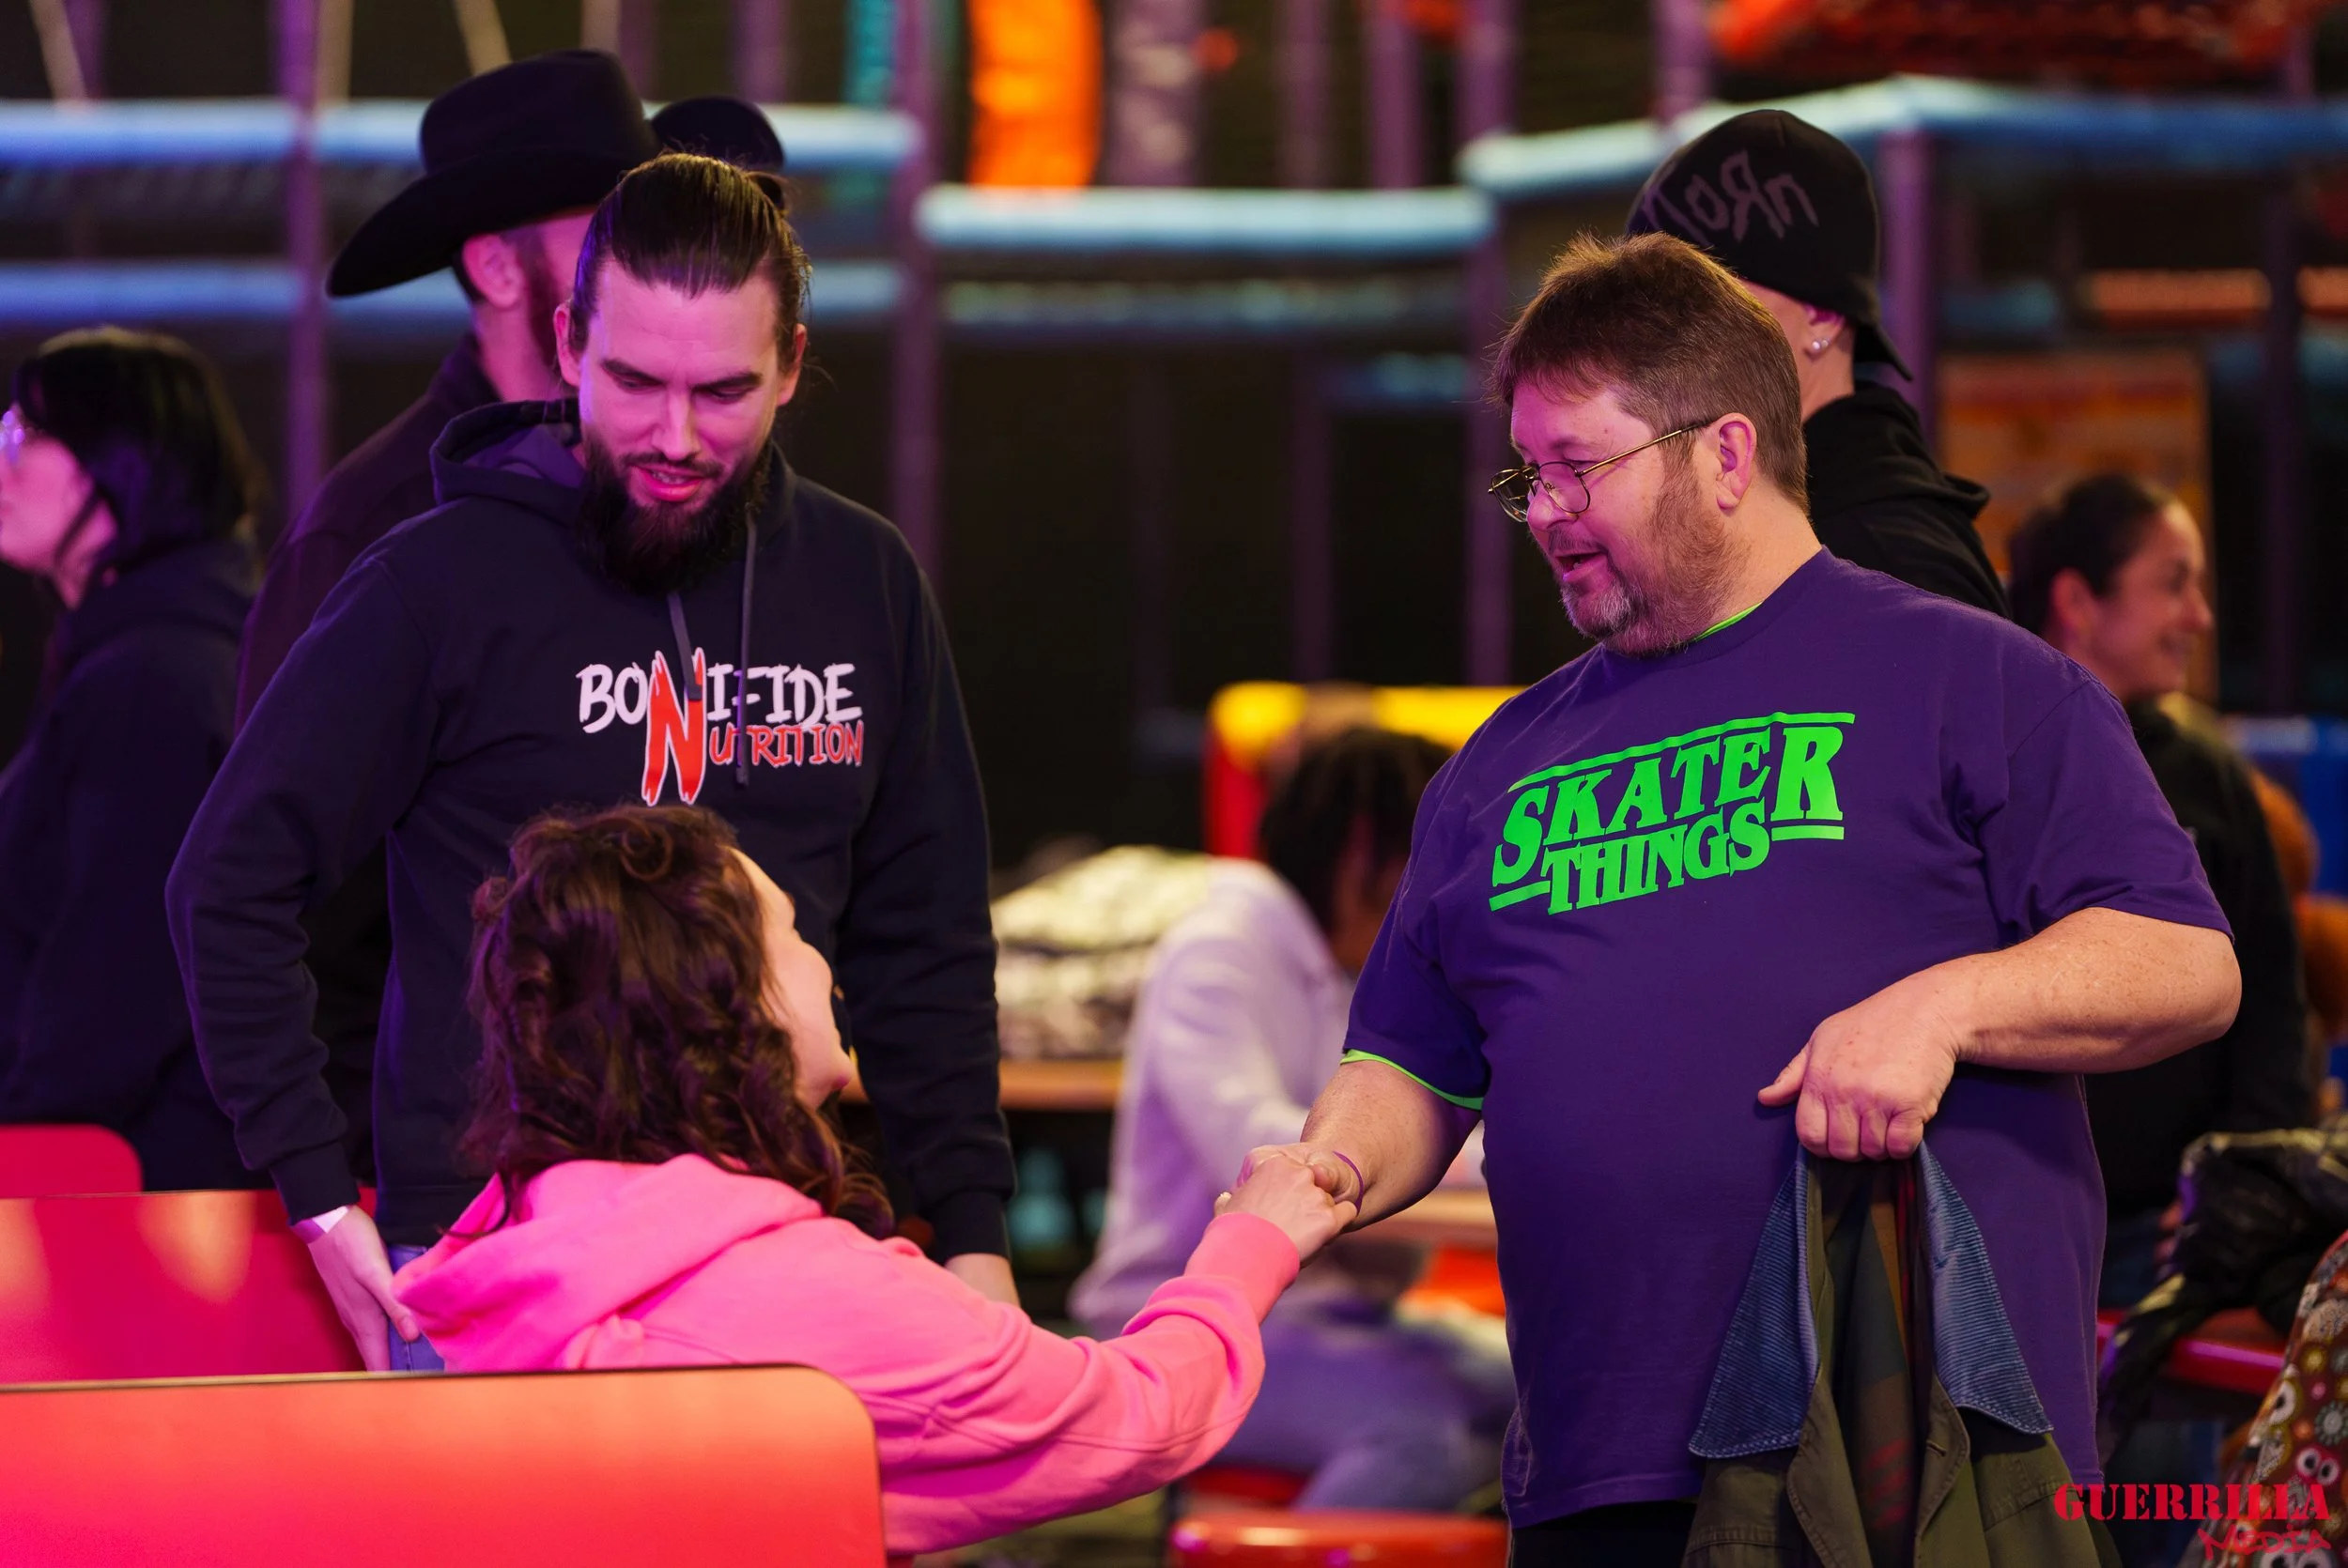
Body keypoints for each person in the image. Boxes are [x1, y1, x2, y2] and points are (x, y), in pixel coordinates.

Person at [1249, 232, 2241, 1565]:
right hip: (1597, 1473)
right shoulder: (1497, 766)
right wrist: (1329, 1166)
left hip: (1904, 1468)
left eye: (1579, 466)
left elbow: (2183, 959)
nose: (1543, 511)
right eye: (1524, 474)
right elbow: (1411, 1063)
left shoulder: (1975, 679)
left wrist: (1945, 1007)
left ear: (1724, 452)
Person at [168, 152, 1014, 1372]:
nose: (675, 436)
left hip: (793, 1273)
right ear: (567, 342)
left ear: (791, 365)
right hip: (496, 1285)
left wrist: (976, 1230)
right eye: (634, 381)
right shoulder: (435, 580)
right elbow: (226, 879)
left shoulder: (863, 580)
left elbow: (926, 937)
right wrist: (316, 1190)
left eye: (723, 391)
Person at [395, 804, 1352, 1560]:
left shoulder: (499, 1254)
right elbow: (1136, 1415)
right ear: (742, 997)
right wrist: (1250, 1242)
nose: (826, 961)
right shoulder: (813, 1296)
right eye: (794, 933)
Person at [233, 51, 784, 1179]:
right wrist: (354, 1192)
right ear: (494, 267)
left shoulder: (696, 496)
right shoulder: (374, 532)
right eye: (603, 225)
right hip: (474, 1206)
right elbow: (282, 904)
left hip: (701, 1183)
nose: (647, 248)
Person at [1074, 728, 1514, 1510]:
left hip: (1343, 1315)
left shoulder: (1362, 962)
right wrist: (1494, 1153)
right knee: (1420, 1433)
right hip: (1187, 1316)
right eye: (1428, 860)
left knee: (1543, 1389)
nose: (1444, 893)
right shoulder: (1221, 945)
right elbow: (1259, 1153)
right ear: (1358, 853)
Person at [2009, 472, 2311, 1304]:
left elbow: (2272, 1009)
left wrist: (2244, 1186)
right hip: (2006, 1232)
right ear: (2077, 599)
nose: (2202, 618)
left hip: (2165, 1246)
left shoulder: (2207, 772)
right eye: (2174, 583)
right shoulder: (1983, 757)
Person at [0, 330, 264, 1188]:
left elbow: (115, 982)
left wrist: (22, 1142)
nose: (4, 457)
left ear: (123, 462)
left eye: (29, 434)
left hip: (139, 1197)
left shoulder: (155, 679)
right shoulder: (144, 656)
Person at [1627, 110, 2007, 616]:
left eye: (1703, 301)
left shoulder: (1891, 561)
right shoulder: (1792, 519)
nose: (1659, 335)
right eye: (1643, 306)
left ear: (1823, 317)